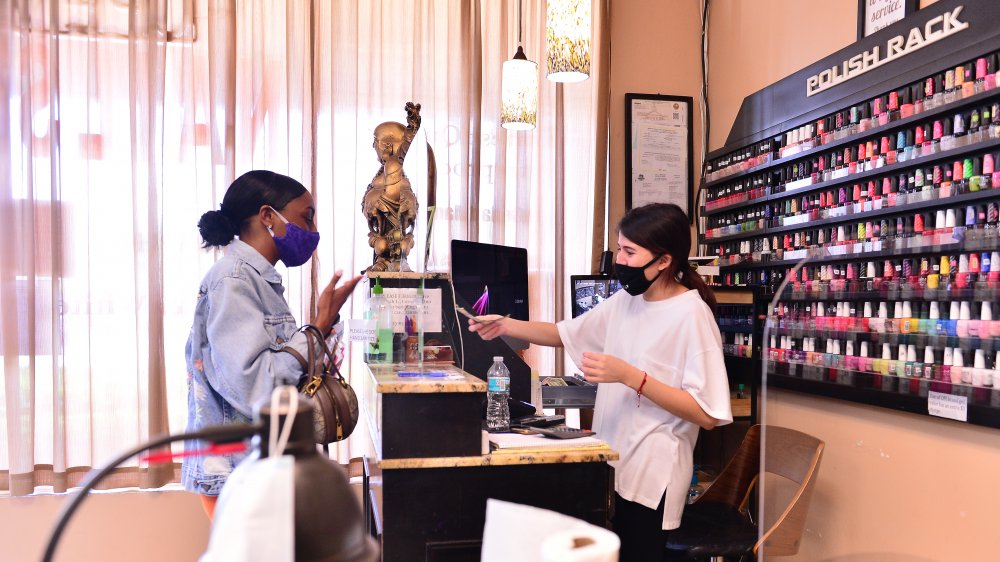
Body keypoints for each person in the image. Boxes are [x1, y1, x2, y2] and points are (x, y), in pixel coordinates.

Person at [469, 203, 732, 561]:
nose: (619, 260)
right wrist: (505, 326)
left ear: (663, 261)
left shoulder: (692, 315)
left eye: (629, 252)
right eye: (619, 248)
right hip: (614, 460)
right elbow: (565, 332)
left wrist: (630, 377)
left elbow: (707, 413)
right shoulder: (627, 300)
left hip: (653, 475)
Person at [182, 170, 362, 519]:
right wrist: (317, 327)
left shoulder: (254, 278)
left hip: (256, 468)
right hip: (237, 473)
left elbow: (285, 368)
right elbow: (259, 386)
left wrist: (323, 328)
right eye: (306, 218)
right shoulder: (232, 280)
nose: (312, 232)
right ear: (268, 216)